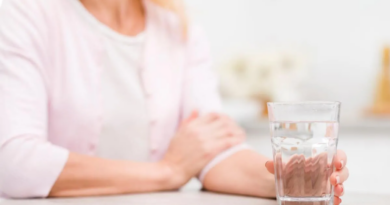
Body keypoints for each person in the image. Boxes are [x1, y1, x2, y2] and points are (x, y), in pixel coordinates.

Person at [0, 0, 348, 203]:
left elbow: (214, 147)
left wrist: (288, 179)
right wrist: (167, 171)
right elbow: (13, 160)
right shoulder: (24, 14)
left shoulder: (175, 26)